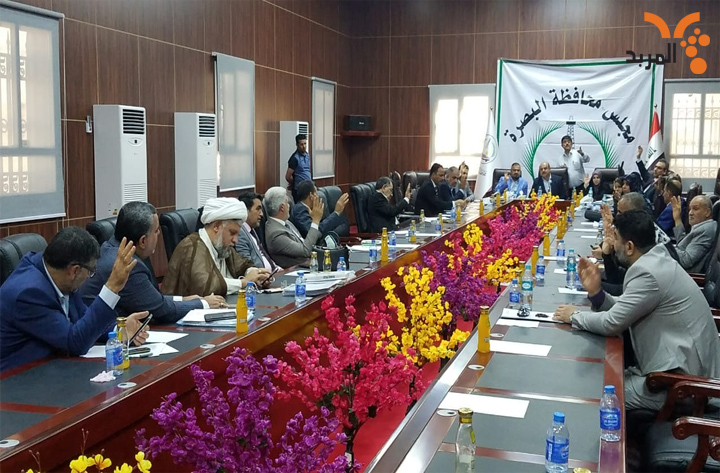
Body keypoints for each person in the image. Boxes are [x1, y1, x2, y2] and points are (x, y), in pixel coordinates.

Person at [554, 210, 720, 411]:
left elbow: (611, 323)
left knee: (597, 393)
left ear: (630, 247)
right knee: (601, 377)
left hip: (684, 386)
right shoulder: (657, 260)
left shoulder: (647, 272)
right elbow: (626, 308)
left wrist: (574, 316)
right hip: (675, 373)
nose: (613, 245)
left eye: (616, 239)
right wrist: (597, 294)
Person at [0, 227, 149, 371]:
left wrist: (120, 330)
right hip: (17, 379)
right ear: (74, 271)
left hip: (53, 369)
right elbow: (75, 343)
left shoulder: (60, 277)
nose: (89, 277)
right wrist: (112, 287)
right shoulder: (29, 293)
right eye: (90, 271)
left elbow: (83, 321)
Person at [80, 202, 225, 325]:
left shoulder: (109, 247)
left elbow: (150, 298)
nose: (159, 234)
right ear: (143, 241)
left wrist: (183, 299)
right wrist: (205, 303)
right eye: (156, 231)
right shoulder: (127, 265)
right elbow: (161, 310)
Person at [163, 198, 270, 297]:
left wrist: (256, 274)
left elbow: (242, 265)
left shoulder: (222, 247)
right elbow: (205, 287)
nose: (235, 240)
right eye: (232, 233)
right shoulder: (192, 247)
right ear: (216, 227)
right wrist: (243, 282)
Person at [592, 193, 672, 295]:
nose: (617, 216)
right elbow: (620, 277)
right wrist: (607, 253)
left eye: (621, 213)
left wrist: (593, 286)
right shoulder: (643, 225)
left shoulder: (645, 234)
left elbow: (627, 290)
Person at [264, 186, 324, 268]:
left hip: (311, 263)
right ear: (282, 208)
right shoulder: (275, 234)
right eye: (287, 203)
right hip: (300, 270)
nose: (289, 206)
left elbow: (303, 242)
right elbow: (305, 251)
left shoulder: (286, 222)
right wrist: (315, 221)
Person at [670, 194, 716, 272]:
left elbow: (686, 260)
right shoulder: (703, 226)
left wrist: (667, 246)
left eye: (695, 209)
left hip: (685, 274)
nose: (690, 213)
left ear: (707, 212)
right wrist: (677, 218)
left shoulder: (705, 230)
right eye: (690, 209)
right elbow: (682, 244)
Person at [235, 193, 279, 271]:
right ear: (245, 211)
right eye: (258, 209)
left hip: (274, 273)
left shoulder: (253, 230)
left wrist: (277, 269)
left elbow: (263, 254)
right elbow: (247, 265)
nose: (261, 214)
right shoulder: (240, 233)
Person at [285, 133, 311, 202]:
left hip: (308, 188)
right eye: (301, 144)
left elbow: (308, 170)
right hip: (298, 190)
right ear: (297, 145)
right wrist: (294, 183)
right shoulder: (294, 158)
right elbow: (288, 176)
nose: (304, 146)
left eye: (305, 144)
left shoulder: (307, 155)